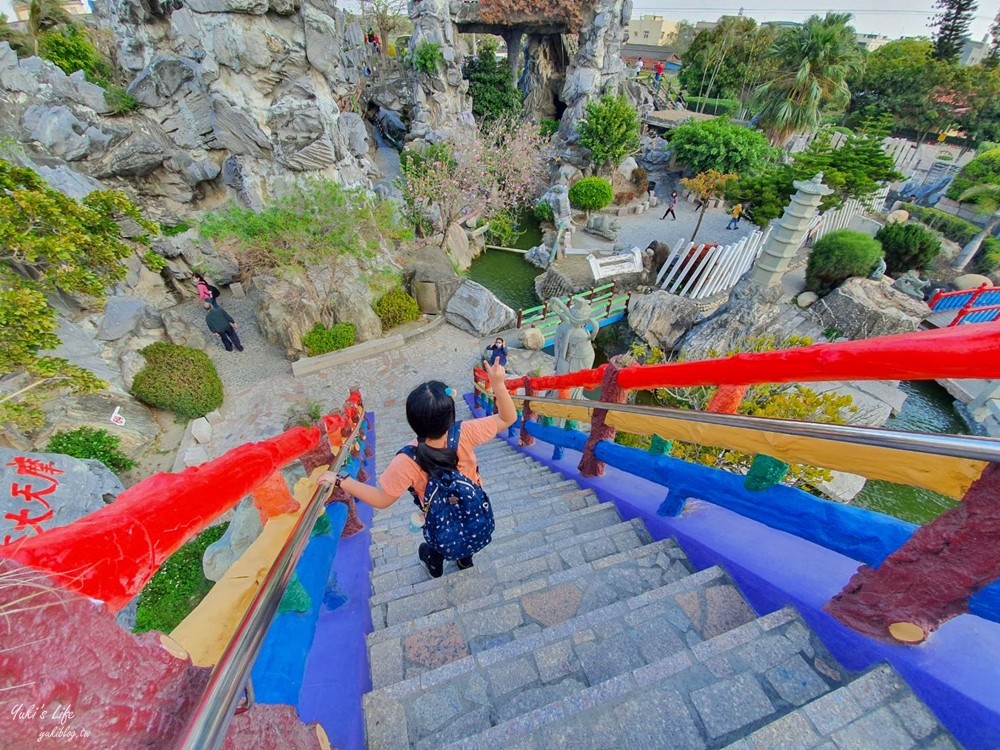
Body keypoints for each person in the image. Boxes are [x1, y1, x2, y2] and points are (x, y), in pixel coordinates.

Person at [320, 363, 517, 577]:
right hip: (472, 504)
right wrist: (497, 383)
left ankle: (435, 565)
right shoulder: (465, 432)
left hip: (437, 514)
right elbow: (508, 418)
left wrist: (341, 480)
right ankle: (464, 560)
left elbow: (381, 500)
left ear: (412, 421)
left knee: (440, 532)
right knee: (467, 524)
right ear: (450, 415)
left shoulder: (407, 460)